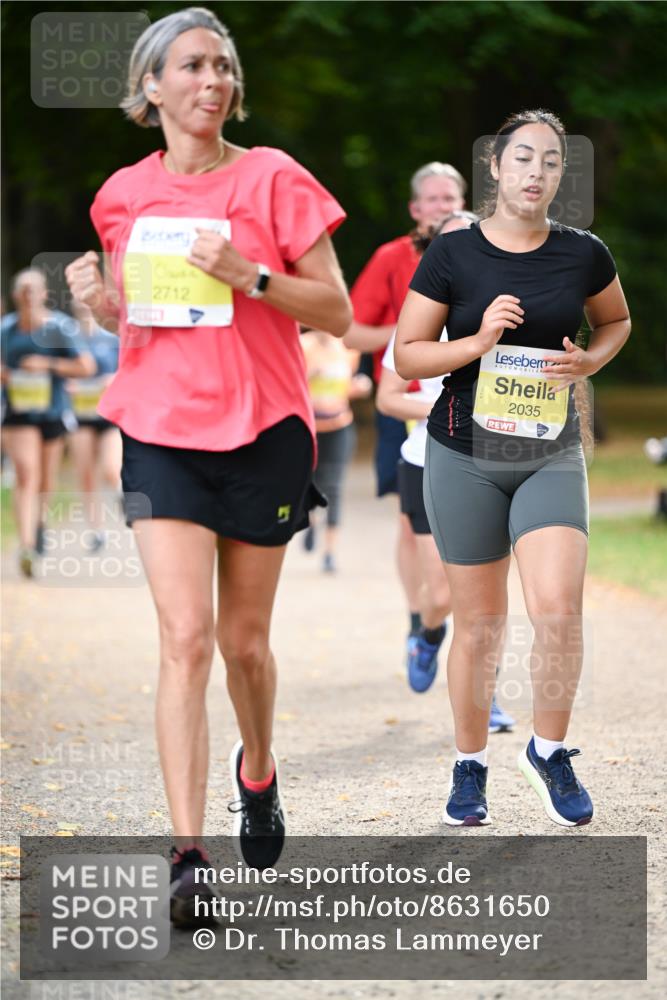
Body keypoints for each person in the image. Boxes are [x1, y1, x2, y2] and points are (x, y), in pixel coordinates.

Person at [64, 6, 351, 924]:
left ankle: (256, 772)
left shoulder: (275, 180)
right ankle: (188, 854)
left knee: (242, 644)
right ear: (152, 86)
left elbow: (337, 312)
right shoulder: (121, 194)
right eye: (191, 66)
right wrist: (99, 304)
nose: (212, 82)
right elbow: (141, 323)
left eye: (222, 67)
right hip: (159, 431)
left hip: (264, 430)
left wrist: (251, 275)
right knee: (184, 637)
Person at [395, 109, 630, 828]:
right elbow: (408, 354)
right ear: (494, 168)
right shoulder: (452, 254)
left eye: (550, 162)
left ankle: (548, 749)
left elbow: (615, 321)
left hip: (548, 452)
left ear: (561, 175)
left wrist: (588, 360)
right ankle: (469, 767)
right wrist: (476, 339)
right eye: (522, 158)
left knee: (557, 610)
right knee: (480, 627)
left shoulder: (582, 253)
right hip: (464, 453)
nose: (536, 172)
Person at [378, 211, 516, 734]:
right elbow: (390, 398)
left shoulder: (511, 316)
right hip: (428, 462)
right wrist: (452, 412)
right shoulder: (417, 324)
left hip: (496, 465)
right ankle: (429, 636)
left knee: (487, 597)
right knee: (439, 596)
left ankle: (489, 695)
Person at [345, 162, 466, 664]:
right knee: (407, 522)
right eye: (433, 201)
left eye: (451, 198)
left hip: (466, 400)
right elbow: (350, 333)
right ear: (417, 209)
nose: (443, 207)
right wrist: (411, 332)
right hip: (403, 397)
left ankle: (448, 613)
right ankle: (419, 617)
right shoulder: (391, 257)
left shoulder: (480, 252)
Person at [1, 269, 94, 577]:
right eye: (23, 291)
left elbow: (85, 366)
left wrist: (47, 364)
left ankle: (40, 524)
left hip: (53, 412)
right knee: (27, 473)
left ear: (43, 295)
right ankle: (26, 545)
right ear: (16, 296)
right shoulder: (6, 330)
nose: (28, 296)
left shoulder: (60, 328)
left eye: (34, 290)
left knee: (45, 482)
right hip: (17, 412)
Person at [300, 329, 372, 573]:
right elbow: (289, 380)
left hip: (340, 425)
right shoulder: (302, 345)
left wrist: (359, 386)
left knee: (335, 487)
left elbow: (351, 383)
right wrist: (311, 374)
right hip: (308, 426)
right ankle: (310, 521)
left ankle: (330, 553)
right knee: (307, 482)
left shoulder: (349, 348)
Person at [66, 302, 122, 551]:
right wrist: (68, 383)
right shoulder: (67, 339)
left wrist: (111, 380)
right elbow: (60, 372)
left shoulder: (111, 338)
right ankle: (97, 531)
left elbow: (126, 371)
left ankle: (122, 496)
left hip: (107, 414)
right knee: (86, 474)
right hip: (79, 413)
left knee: (112, 469)